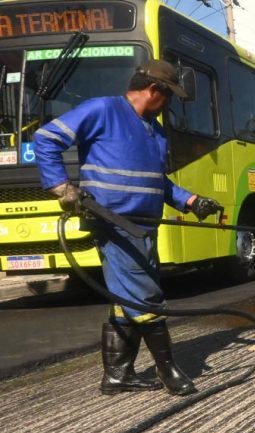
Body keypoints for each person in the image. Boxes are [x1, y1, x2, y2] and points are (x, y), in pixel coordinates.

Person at [35, 60, 223, 396]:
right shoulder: (103, 110)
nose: (170, 104)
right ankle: (169, 371)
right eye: (169, 97)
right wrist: (62, 187)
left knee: (127, 300)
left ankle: (118, 375)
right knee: (146, 297)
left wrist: (191, 201)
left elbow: (156, 183)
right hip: (113, 224)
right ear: (154, 90)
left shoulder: (155, 130)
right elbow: (46, 138)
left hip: (144, 228)